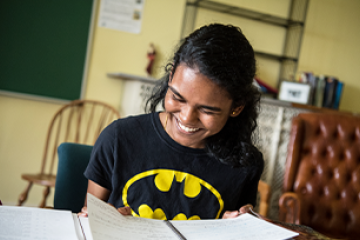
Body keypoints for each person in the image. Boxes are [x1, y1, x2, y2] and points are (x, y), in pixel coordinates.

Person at [79, 23, 264, 220]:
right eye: (178, 97)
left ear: (237, 107)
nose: (186, 117)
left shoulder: (245, 163)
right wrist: (101, 220)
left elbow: (240, 227)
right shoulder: (118, 139)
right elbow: (88, 221)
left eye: (207, 109)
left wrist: (235, 229)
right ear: (171, 76)